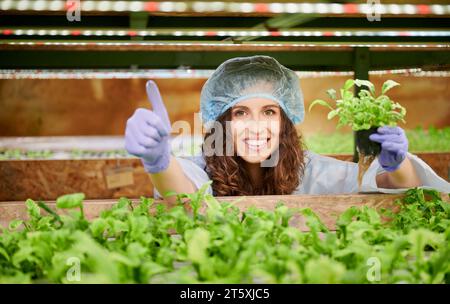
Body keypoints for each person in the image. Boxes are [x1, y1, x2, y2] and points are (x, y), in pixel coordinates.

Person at [125, 55, 450, 202]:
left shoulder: (314, 172)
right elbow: (182, 192)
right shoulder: (201, 168)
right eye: (240, 113)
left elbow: (383, 184)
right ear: (221, 123)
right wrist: (159, 161)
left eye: (268, 111)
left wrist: (399, 164)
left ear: (285, 121)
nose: (256, 127)